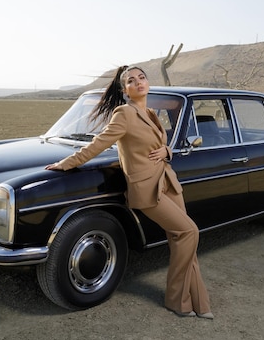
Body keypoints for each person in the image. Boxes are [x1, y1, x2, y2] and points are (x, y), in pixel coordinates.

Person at [46, 65, 213, 319]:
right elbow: (98, 144)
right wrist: (66, 163)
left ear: (147, 83)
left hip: (168, 183)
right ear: (125, 90)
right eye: (131, 81)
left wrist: (167, 151)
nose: (138, 83)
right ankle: (177, 299)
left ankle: (197, 303)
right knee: (189, 232)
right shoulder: (124, 113)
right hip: (147, 189)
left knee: (182, 239)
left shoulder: (151, 113)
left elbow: (161, 143)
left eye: (142, 78)